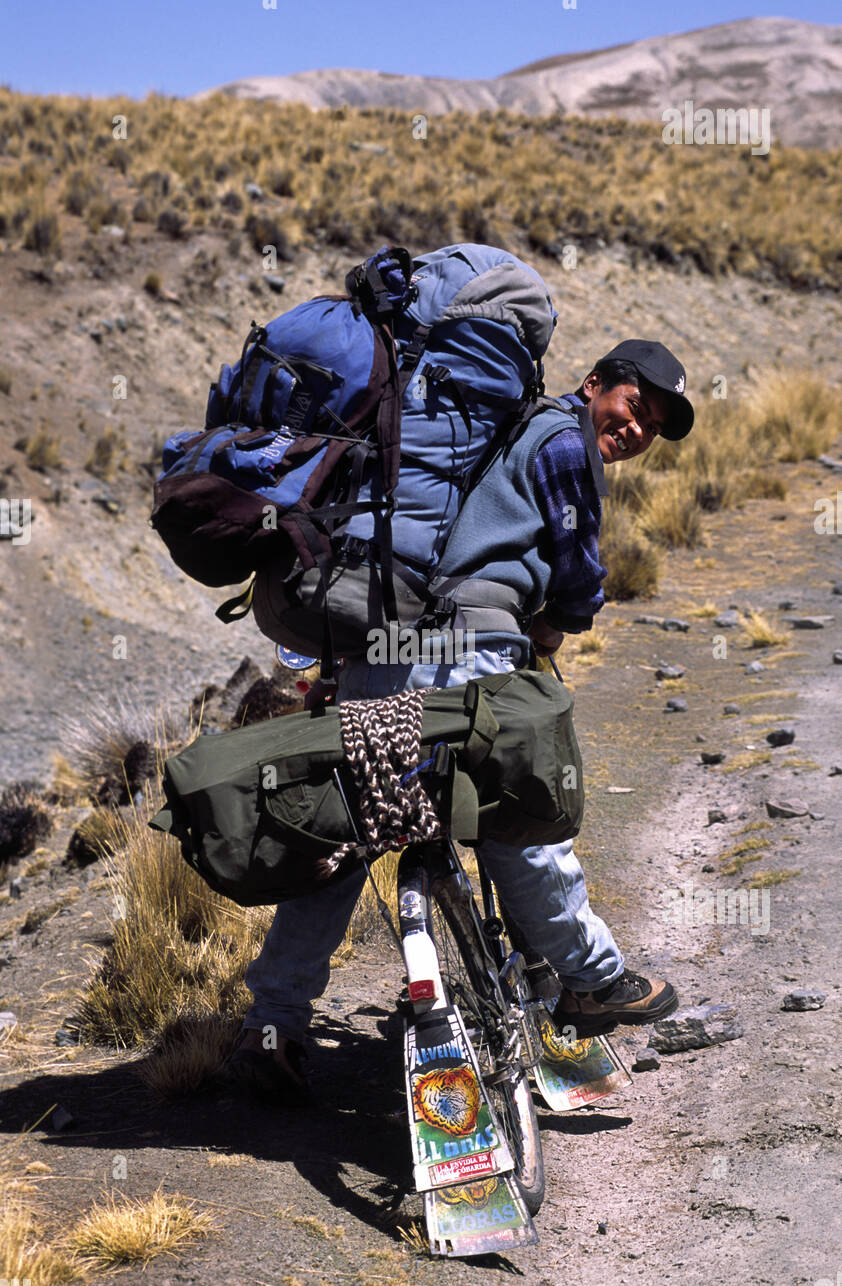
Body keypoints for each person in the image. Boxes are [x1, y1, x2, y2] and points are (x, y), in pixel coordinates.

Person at [221, 339, 695, 1102]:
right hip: (468, 657)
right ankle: (592, 980)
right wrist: (560, 621)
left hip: (385, 642)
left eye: (655, 427)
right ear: (594, 384)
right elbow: (575, 570)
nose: (637, 430)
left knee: (347, 832)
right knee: (520, 814)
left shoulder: (481, 437)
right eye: (635, 407)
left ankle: (271, 1024)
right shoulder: (564, 439)